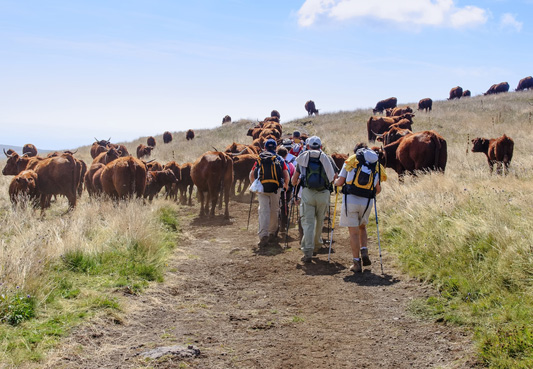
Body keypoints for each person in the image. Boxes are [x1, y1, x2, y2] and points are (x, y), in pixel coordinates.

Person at [334, 145, 387, 273]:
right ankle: (364, 250)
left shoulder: (352, 161)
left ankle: (356, 263)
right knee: (362, 227)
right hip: (367, 202)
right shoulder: (376, 165)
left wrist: (335, 182)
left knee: (353, 232)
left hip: (350, 200)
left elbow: (340, 182)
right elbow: (378, 190)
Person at [291, 136, 335, 262]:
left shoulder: (303, 158)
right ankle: (317, 246)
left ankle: (308, 252)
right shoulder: (327, 158)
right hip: (324, 194)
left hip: (308, 193)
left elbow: (294, 180)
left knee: (308, 222)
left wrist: (297, 184)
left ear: (308, 146)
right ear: (321, 147)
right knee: (320, 221)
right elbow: (334, 177)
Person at [249, 138, 289, 247]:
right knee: (275, 210)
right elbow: (286, 174)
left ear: (265, 147)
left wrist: (255, 185)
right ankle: (272, 233)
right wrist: (285, 185)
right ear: (275, 147)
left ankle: (263, 235)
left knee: (263, 210)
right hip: (276, 188)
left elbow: (252, 174)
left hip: (262, 189)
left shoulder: (259, 158)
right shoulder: (279, 159)